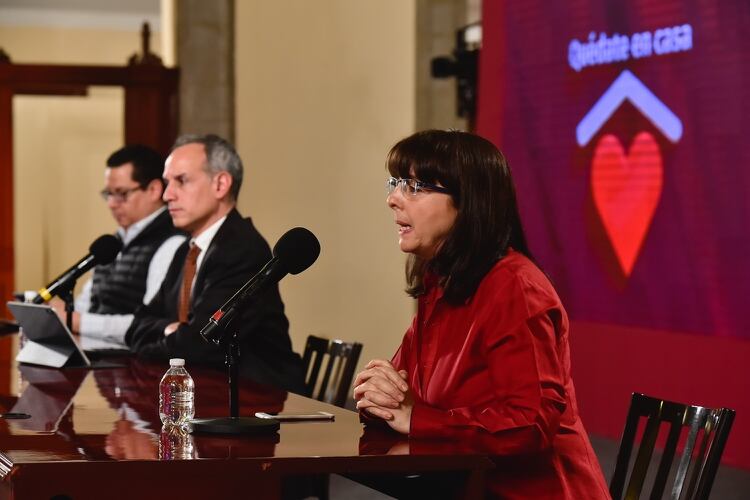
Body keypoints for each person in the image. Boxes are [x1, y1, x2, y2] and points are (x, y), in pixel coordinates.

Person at [353, 130, 610, 498]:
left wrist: (416, 418)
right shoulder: (441, 283)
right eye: (395, 183)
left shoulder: (515, 287)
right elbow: (398, 395)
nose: (393, 199)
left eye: (414, 186)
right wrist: (377, 396)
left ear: (468, 201)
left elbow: (531, 424)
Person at [125, 134, 304, 392]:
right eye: (167, 183)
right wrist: (170, 330)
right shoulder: (186, 251)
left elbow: (200, 342)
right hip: (205, 390)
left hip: (258, 397)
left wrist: (170, 334)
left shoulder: (241, 247)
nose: (167, 195)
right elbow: (138, 325)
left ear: (220, 184)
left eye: (181, 181)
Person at [51, 145, 185, 348]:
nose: (112, 204)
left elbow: (150, 321)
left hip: (136, 364)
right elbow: (89, 301)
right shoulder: (112, 243)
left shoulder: (173, 242)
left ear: (154, 190)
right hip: (98, 356)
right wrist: (57, 314)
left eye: (121, 193)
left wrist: (76, 320)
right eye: (109, 194)